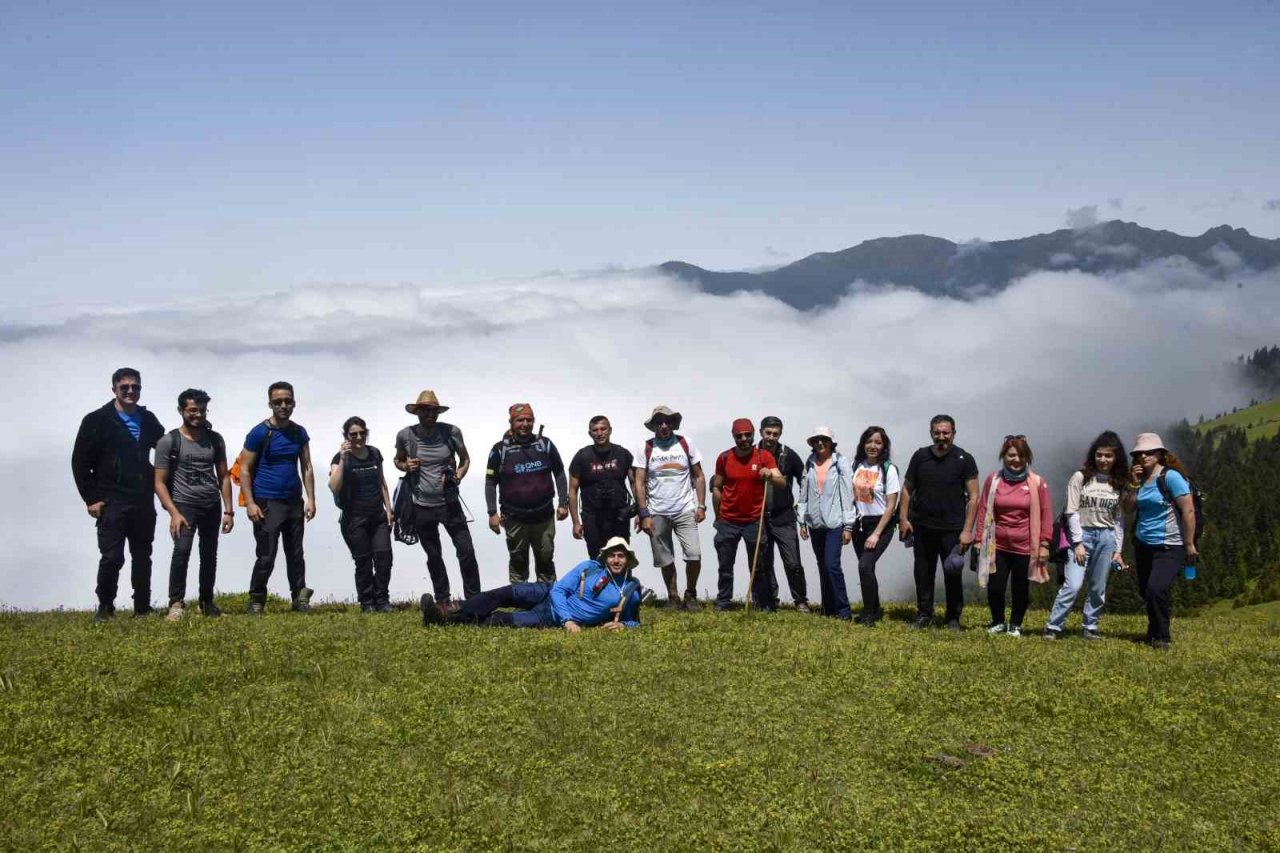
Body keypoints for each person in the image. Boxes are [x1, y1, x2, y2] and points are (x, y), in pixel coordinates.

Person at [72, 367, 166, 622]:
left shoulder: (148, 419)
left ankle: (142, 608)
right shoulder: (96, 420)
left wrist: (197, 430)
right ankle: (105, 608)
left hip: (142, 497)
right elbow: (80, 462)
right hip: (111, 498)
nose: (130, 391)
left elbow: (166, 445)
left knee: (142, 554)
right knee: (112, 557)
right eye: (125, 387)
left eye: (135, 387)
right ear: (114, 388)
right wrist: (91, 498)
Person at [419, 536, 645, 631]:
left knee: (501, 620)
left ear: (628, 560)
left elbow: (634, 623)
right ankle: (444, 610)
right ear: (605, 557)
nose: (616, 560)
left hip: (549, 618)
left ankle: (446, 622)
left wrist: (624, 626)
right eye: (612, 555)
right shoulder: (588, 566)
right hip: (546, 593)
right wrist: (568, 620)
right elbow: (559, 589)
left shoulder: (630, 591)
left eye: (621, 556)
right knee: (500, 595)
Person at [154, 389, 233, 620]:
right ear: (181, 411)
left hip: (211, 504)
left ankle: (207, 603)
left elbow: (224, 476)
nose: (198, 414)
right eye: (192, 410)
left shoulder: (215, 440)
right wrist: (173, 512)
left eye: (202, 410)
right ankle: (176, 603)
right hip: (183, 505)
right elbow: (158, 482)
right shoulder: (169, 441)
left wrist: (228, 510)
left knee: (209, 554)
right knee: (182, 551)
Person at [394, 390, 480, 603]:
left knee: (466, 551)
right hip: (421, 505)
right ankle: (442, 599)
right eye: (425, 410)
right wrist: (407, 465)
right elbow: (397, 460)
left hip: (449, 502)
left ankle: (475, 599)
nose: (430, 414)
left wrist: (458, 476)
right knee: (433, 555)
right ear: (417, 413)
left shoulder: (451, 432)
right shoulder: (405, 435)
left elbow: (465, 459)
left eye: (433, 410)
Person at [1043, 431, 1129, 640]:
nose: (1103, 460)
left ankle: (1090, 626)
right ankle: (1053, 626)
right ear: (1093, 455)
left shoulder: (1118, 483)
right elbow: (1071, 511)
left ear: (1117, 457)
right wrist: (1078, 542)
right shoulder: (1080, 478)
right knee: (1073, 584)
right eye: (1099, 455)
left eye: (1108, 455)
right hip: (1082, 535)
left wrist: (1118, 549)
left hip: (1107, 537)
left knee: (1098, 586)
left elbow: (1119, 520)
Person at [240, 381, 317, 615]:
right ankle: (256, 600)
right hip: (266, 501)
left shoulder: (298, 432)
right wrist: (250, 502)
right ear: (270, 404)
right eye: (278, 402)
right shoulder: (260, 432)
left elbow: (307, 466)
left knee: (296, 553)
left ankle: (299, 598)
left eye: (288, 401)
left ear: (294, 402)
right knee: (266, 554)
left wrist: (311, 499)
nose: (283, 406)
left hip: (293, 500)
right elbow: (244, 468)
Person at [898, 415, 980, 631]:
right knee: (923, 573)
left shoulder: (965, 459)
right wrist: (903, 519)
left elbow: (973, 497)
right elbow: (907, 488)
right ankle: (924, 614)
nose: (941, 437)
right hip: (922, 526)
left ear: (954, 433)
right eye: (937, 433)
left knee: (952, 571)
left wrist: (967, 531)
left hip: (953, 528)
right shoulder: (920, 456)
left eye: (946, 433)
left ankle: (953, 617)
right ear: (931, 433)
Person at [971, 435, 1053, 637]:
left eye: (1021, 456)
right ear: (1003, 457)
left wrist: (1045, 543)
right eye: (1011, 455)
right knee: (996, 587)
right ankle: (998, 621)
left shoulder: (1037, 483)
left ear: (1027, 458)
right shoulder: (994, 480)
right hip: (997, 544)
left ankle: (1015, 624)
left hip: (1025, 546)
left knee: (1020, 587)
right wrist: (979, 539)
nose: (1015, 460)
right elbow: (983, 510)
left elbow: (1046, 513)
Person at [1123, 432, 1197, 650]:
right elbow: (1127, 509)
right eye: (1139, 454)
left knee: (1157, 588)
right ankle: (1153, 630)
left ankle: (1162, 636)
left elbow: (1188, 510)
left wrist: (1189, 543)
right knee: (1146, 590)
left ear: (1160, 454)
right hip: (1143, 543)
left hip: (1170, 544)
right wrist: (1134, 485)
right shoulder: (1140, 481)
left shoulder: (1171, 477)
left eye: (1149, 452)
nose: (1144, 456)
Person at [485, 403, 569, 583]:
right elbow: (490, 482)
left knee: (546, 557)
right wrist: (492, 512)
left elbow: (560, 473)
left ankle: (547, 599)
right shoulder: (499, 450)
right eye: (520, 420)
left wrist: (563, 503)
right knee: (518, 559)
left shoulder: (544, 444)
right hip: (514, 518)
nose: (525, 424)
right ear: (511, 422)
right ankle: (520, 600)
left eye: (529, 420)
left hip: (544, 516)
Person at [633, 405, 707, 610]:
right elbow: (639, 482)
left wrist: (701, 506)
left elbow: (699, 476)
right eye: (659, 422)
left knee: (693, 553)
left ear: (673, 423)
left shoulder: (685, 443)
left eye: (667, 421)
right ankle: (673, 597)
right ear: (654, 426)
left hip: (684, 508)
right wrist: (644, 512)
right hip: (657, 511)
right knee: (665, 557)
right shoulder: (646, 447)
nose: (663, 426)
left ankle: (691, 594)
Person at [711, 419, 787, 610]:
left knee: (758, 565)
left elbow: (782, 482)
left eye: (747, 435)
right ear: (734, 436)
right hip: (728, 520)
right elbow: (717, 487)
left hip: (754, 520)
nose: (744, 439)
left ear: (754, 434)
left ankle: (761, 603)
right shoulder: (724, 458)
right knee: (725, 565)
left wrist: (769, 475)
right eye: (739, 435)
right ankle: (723, 602)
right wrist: (717, 516)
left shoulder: (763, 456)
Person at [330, 417, 395, 612]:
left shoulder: (375, 453)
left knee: (384, 558)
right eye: (353, 434)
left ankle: (382, 599)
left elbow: (381, 482)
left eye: (362, 433)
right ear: (346, 437)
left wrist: (389, 510)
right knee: (363, 561)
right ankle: (367, 602)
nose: (359, 437)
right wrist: (342, 458)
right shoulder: (340, 458)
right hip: (354, 519)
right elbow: (334, 486)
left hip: (378, 516)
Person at [796, 426, 856, 620]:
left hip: (835, 523)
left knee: (832, 565)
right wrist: (802, 521)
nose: (820, 443)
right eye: (816, 440)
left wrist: (848, 525)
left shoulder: (840, 462)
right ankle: (828, 608)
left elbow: (847, 494)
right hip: (815, 524)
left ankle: (843, 610)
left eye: (824, 439)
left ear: (831, 442)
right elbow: (803, 493)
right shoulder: (810, 463)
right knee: (822, 565)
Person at [756, 416, 810, 612]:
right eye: (768, 433)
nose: (771, 437)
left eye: (775, 434)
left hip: (784, 516)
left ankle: (800, 600)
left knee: (793, 561)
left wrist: (801, 506)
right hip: (759, 516)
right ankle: (769, 600)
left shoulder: (788, 455)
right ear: (761, 431)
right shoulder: (752, 454)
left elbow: (805, 479)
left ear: (780, 434)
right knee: (764, 560)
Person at [850, 426, 901, 625]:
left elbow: (891, 506)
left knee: (865, 565)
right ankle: (876, 608)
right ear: (863, 444)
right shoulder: (857, 465)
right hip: (859, 524)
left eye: (878, 442)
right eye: (869, 441)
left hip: (881, 524)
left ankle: (869, 614)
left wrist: (876, 534)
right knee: (867, 568)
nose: (873, 446)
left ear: (884, 446)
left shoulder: (888, 469)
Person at [568, 415, 635, 559]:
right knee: (597, 558)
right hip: (592, 516)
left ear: (610, 430)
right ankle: (599, 581)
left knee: (621, 556)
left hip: (619, 515)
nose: (599, 433)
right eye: (595, 430)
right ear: (590, 433)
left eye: (603, 429)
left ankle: (622, 582)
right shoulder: (582, 456)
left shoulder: (622, 454)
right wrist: (575, 523)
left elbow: (636, 483)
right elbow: (572, 491)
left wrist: (642, 512)